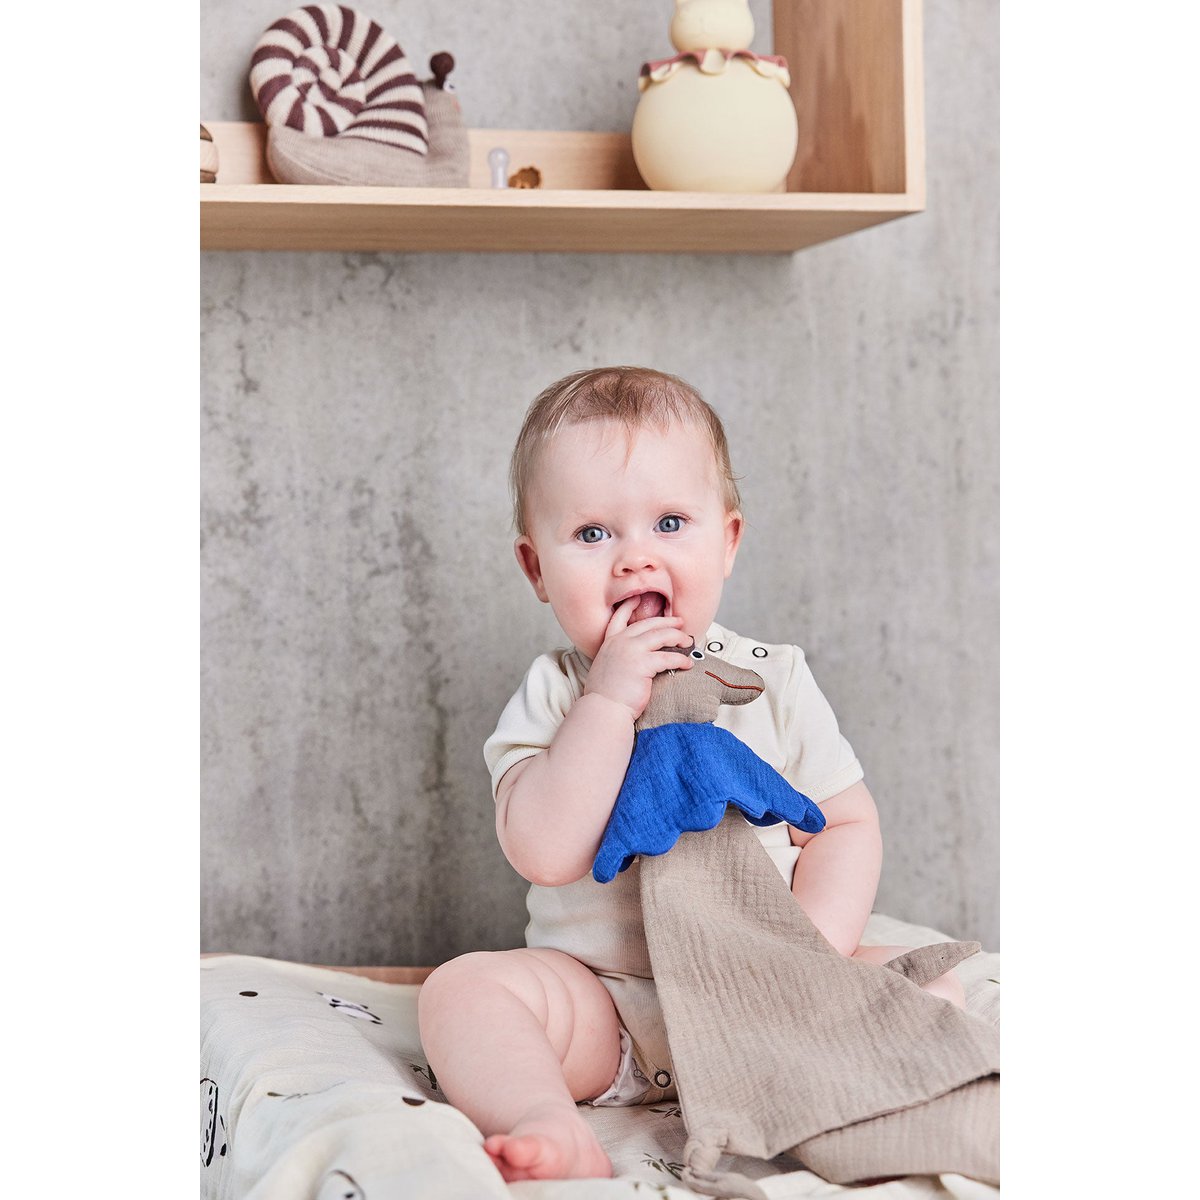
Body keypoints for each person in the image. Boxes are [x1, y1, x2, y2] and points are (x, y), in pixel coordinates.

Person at [417, 366, 966, 1183]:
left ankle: (852, 1082)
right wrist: (607, 704)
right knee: (462, 993)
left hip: (768, 993)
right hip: (611, 1014)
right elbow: (544, 850)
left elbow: (845, 824)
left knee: (935, 982)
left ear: (728, 541)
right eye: (593, 534)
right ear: (536, 569)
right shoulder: (558, 693)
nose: (635, 558)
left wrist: (808, 950)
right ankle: (544, 1120)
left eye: (670, 522)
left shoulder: (773, 679)